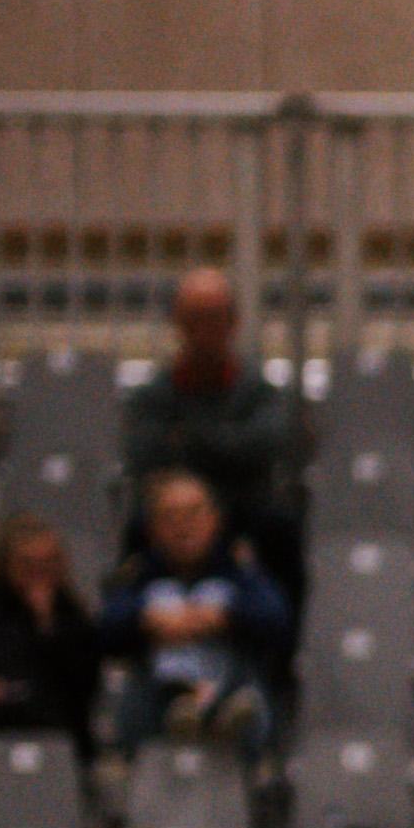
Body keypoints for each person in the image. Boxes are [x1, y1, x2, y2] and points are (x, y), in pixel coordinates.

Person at [121, 264, 307, 568]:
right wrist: (225, 445)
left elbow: (264, 448)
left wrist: (188, 438)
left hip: (244, 511)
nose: (203, 329)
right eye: (193, 319)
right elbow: (144, 456)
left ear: (233, 323)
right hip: (173, 514)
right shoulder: (152, 396)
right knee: (139, 528)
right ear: (177, 323)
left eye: (213, 318)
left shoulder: (259, 392)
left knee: (281, 527)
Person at [99, 468, 290, 756]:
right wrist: (146, 618)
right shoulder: (140, 576)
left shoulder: (238, 572)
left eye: (193, 513)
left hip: (227, 680)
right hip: (157, 696)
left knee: (247, 690)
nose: (183, 525)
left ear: (214, 519)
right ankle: (185, 712)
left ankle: (217, 716)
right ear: (152, 528)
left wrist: (222, 616)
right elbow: (104, 626)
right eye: (170, 516)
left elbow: (276, 618)